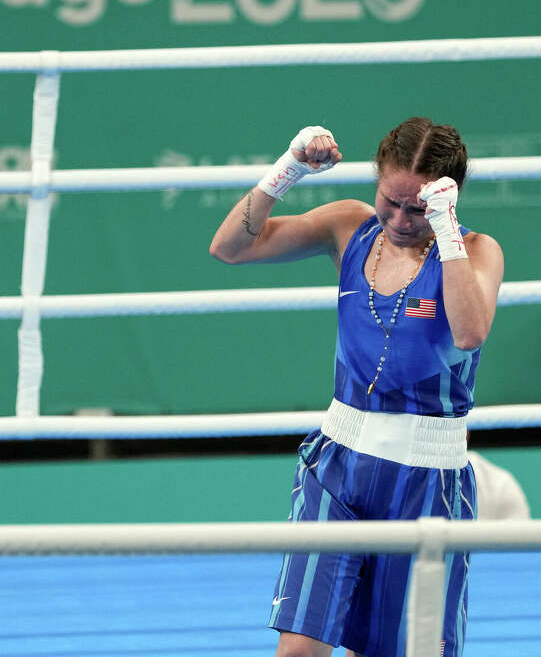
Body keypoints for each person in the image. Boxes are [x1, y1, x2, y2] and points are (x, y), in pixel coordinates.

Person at [209, 117, 504, 657]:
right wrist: (287, 170)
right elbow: (229, 248)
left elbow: (469, 332)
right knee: (298, 650)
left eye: (418, 207)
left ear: (446, 197)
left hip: (427, 481)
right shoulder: (349, 225)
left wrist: (446, 229)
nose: (399, 218)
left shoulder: (478, 250)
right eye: (391, 200)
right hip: (338, 465)